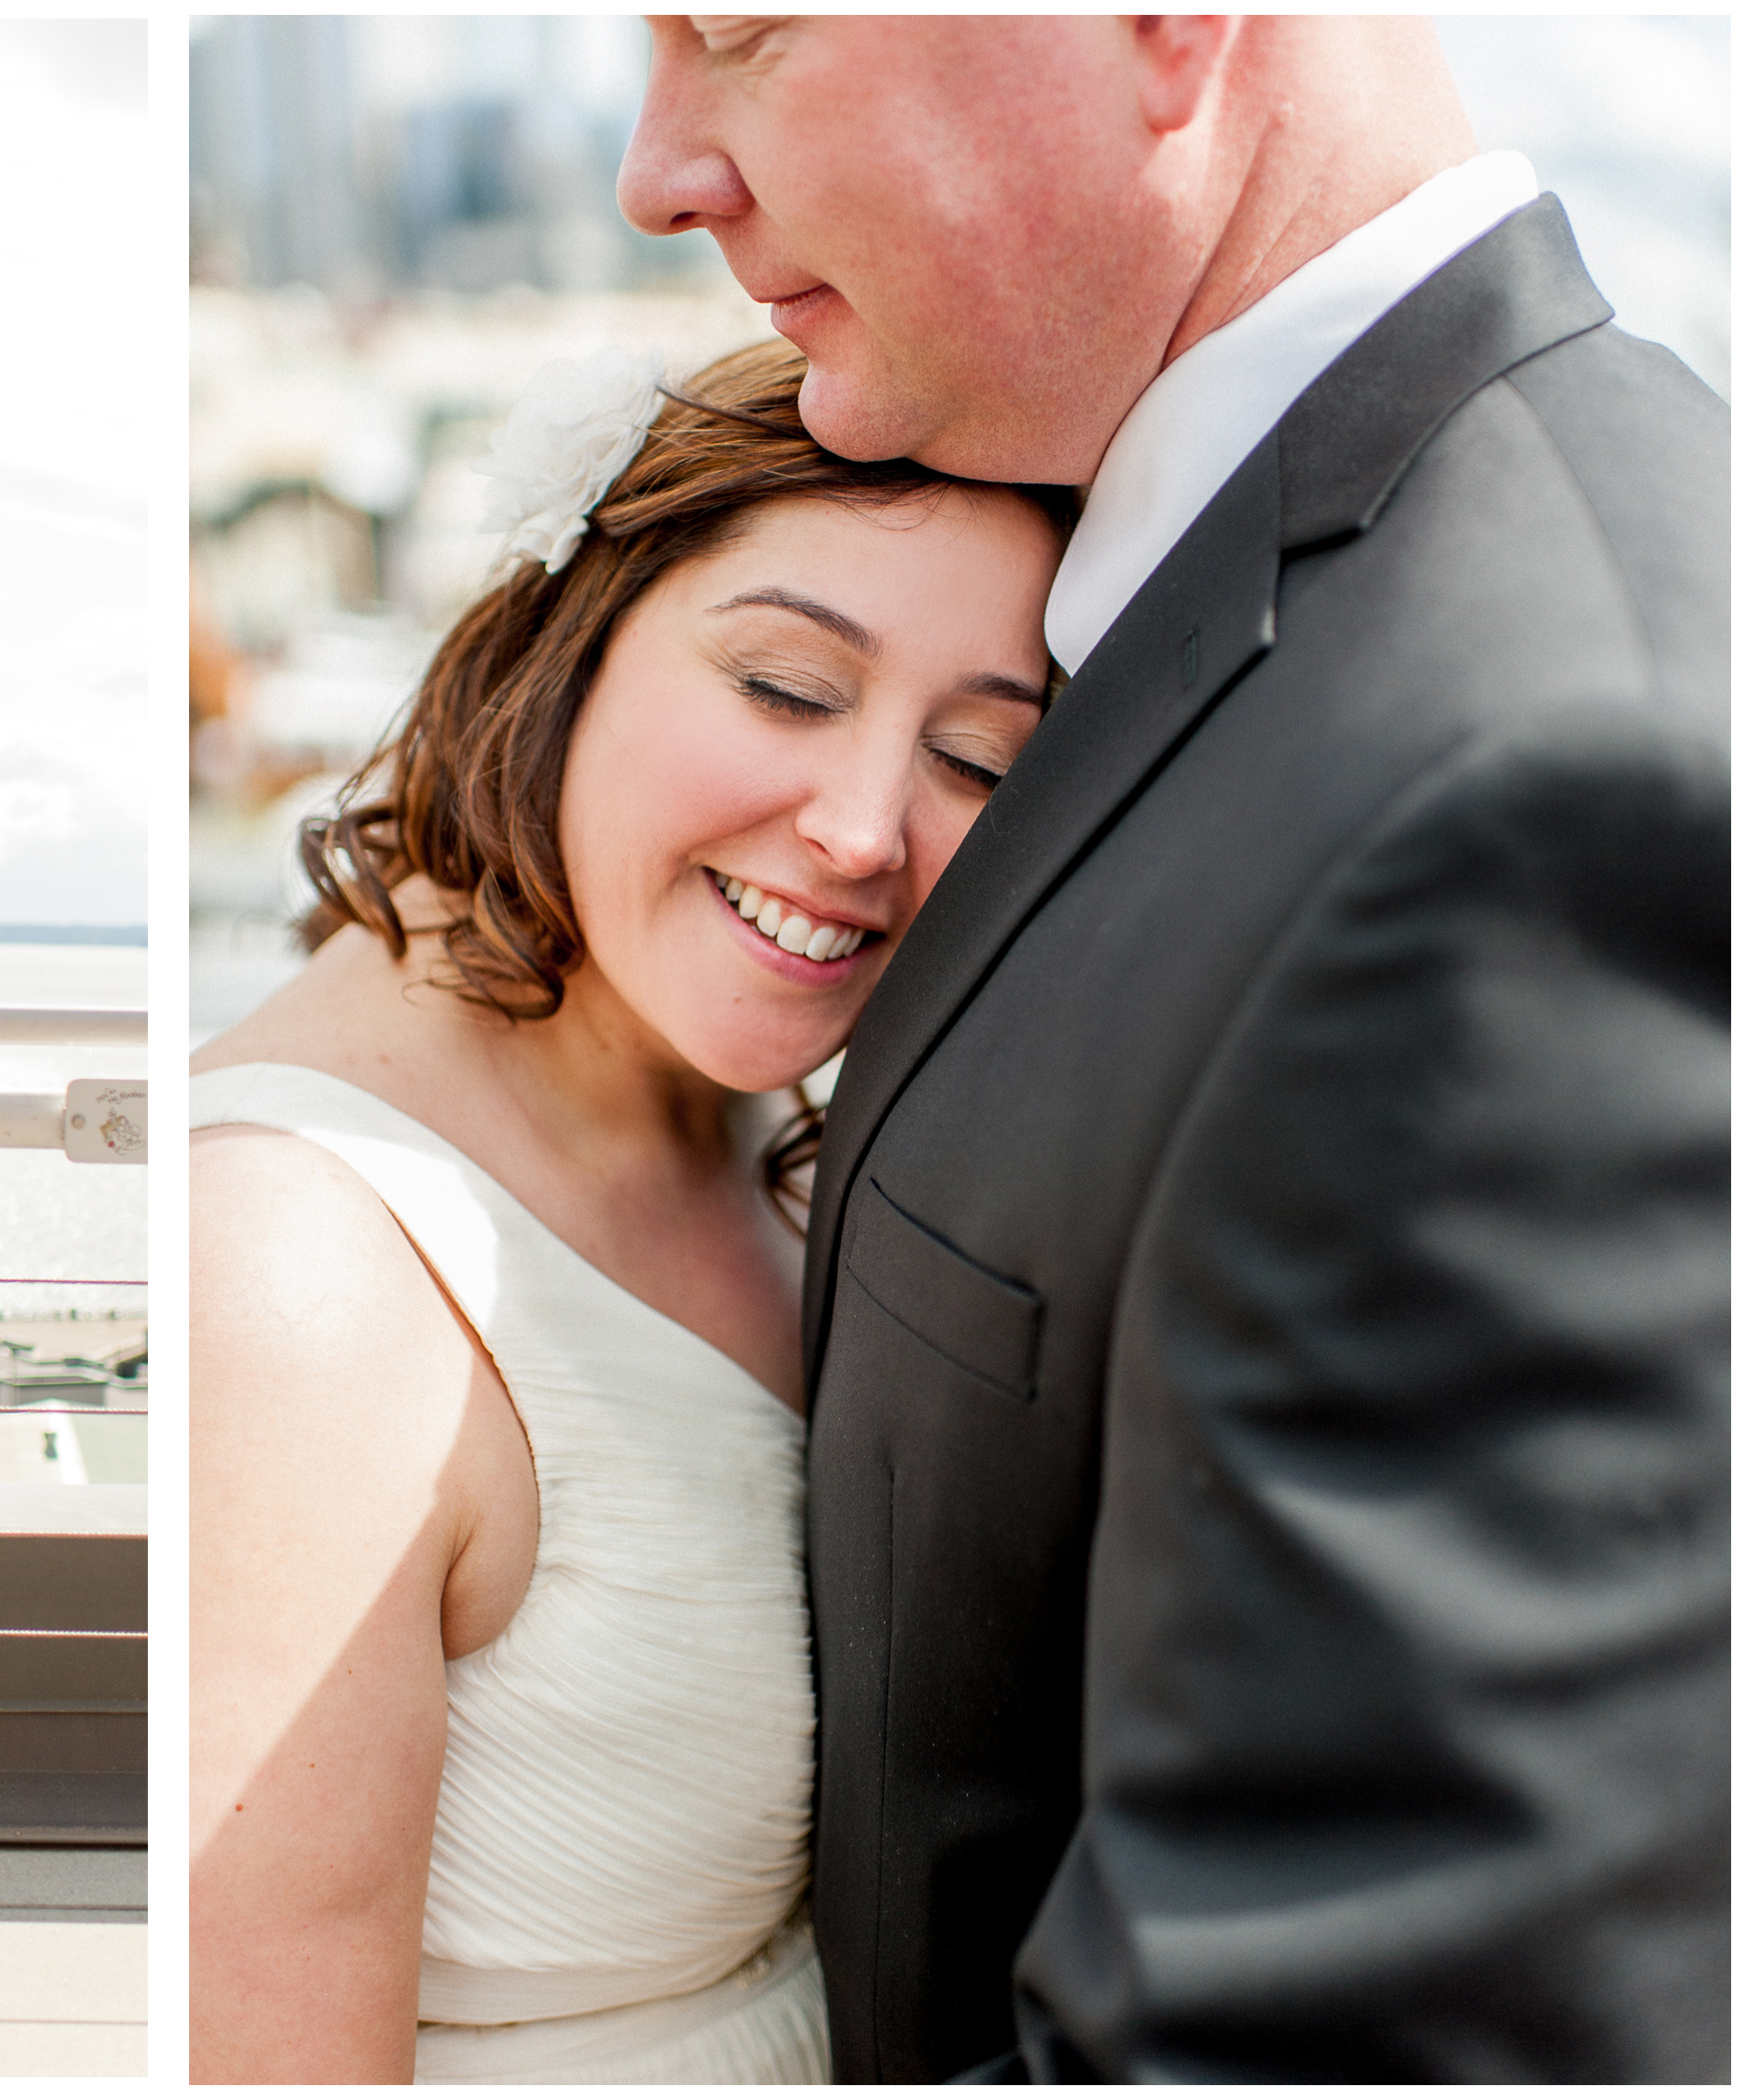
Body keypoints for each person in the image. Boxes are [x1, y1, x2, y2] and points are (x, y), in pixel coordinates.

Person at [619, 17, 1726, 2082]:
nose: (660, 169)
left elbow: (1358, 2035)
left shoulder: (1532, 776)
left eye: (737, 31)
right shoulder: (1260, 593)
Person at [190, 340, 1070, 2082]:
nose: (861, 828)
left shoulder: (775, 1116)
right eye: (790, 688)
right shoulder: (297, 1281)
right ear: (565, 646)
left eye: (979, 758)